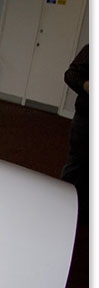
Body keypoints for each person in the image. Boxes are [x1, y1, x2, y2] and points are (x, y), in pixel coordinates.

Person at [62, 44, 89, 224]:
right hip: (86, 118)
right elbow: (70, 75)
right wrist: (87, 85)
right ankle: (63, 207)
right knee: (77, 165)